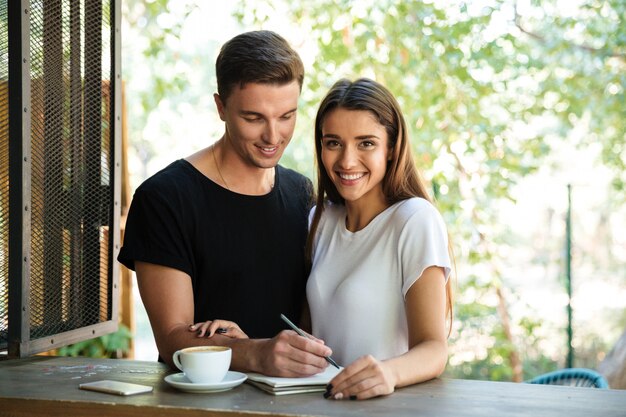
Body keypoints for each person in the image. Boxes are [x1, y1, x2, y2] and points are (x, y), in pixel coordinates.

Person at [117, 30, 332, 377]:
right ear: (221, 107)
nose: (273, 136)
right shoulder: (165, 199)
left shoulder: (302, 193)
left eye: (287, 116)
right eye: (254, 118)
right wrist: (255, 353)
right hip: (200, 407)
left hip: (294, 400)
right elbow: (172, 339)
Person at [305, 78, 453, 400]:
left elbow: (434, 349)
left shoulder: (414, 220)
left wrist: (388, 372)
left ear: (391, 149)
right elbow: (309, 334)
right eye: (333, 143)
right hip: (323, 405)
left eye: (366, 143)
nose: (346, 161)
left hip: (386, 406)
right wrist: (248, 340)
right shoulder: (320, 220)